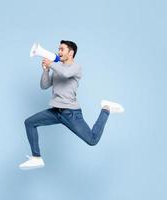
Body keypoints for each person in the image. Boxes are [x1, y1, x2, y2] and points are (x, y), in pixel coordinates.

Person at [19, 40, 124, 170]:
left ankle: (106, 108)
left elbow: (66, 73)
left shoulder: (76, 67)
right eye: (58, 49)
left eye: (62, 49)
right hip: (56, 112)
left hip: (71, 114)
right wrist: (45, 70)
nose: (59, 52)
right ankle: (36, 158)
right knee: (29, 122)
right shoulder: (57, 68)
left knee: (92, 140)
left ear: (71, 53)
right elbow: (44, 85)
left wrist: (52, 64)